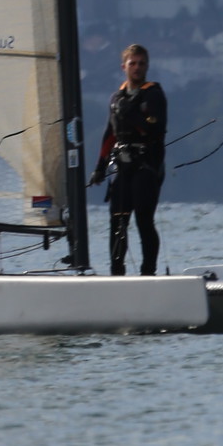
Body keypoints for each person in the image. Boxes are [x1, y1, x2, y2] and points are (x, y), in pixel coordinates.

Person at [88, 43, 167, 276]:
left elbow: (155, 130)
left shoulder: (154, 95)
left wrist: (131, 114)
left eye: (142, 63)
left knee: (144, 220)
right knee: (117, 222)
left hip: (147, 166)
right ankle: (116, 273)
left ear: (147, 66)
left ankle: (148, 272)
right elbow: (109, 134)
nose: (137, 68)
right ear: (124, 66)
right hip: (123, 167)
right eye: (133, 63)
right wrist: (99, 168)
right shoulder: (116, 97)